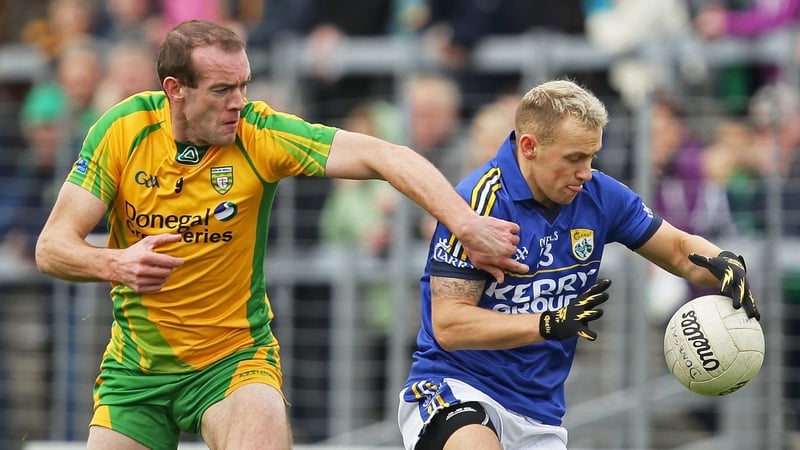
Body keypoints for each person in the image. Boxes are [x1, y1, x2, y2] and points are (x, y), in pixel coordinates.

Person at [33, 19, 528, 450]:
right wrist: (115, 263)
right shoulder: (123, 130)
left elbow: (385, 155)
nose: (239, 103)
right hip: (136, 370)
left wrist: (465, 224)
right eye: (222, 90)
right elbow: (52, 248)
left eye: (244, 85)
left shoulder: (259, 133)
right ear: (175, 89)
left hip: (233, 360)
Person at [397, 79, 761, 450]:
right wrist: (547, 324)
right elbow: (449, 325)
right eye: (574, 158)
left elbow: (681, 251)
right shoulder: (477, 204)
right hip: (457, 389)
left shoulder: (599, 196)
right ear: (529, 147)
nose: (585, 172)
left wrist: (723, 265)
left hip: (539, 412)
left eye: (592, 157)